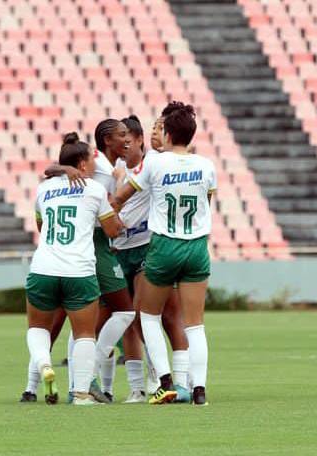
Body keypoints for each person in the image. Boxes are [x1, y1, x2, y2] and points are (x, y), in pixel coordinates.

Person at [112, 103, 216, 406]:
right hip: (197, 247)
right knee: (194, 324)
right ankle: (199, 390)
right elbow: (206, 204)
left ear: (167, 133)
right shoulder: (207, 165)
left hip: (164, 246)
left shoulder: (155, 164)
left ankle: (165, 382)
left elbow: (121, 197)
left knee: (148, 315)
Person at [41, 122, 135, 403]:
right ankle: (86, 376)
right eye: (121, 135)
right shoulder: (104, 174)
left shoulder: (50, 187)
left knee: (70, 321)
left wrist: (63, 169)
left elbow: (48, 173)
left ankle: (43, 384)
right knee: (118, 313)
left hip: (59, 254)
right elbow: (112, 225)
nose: (126, 140)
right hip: (92, 245)